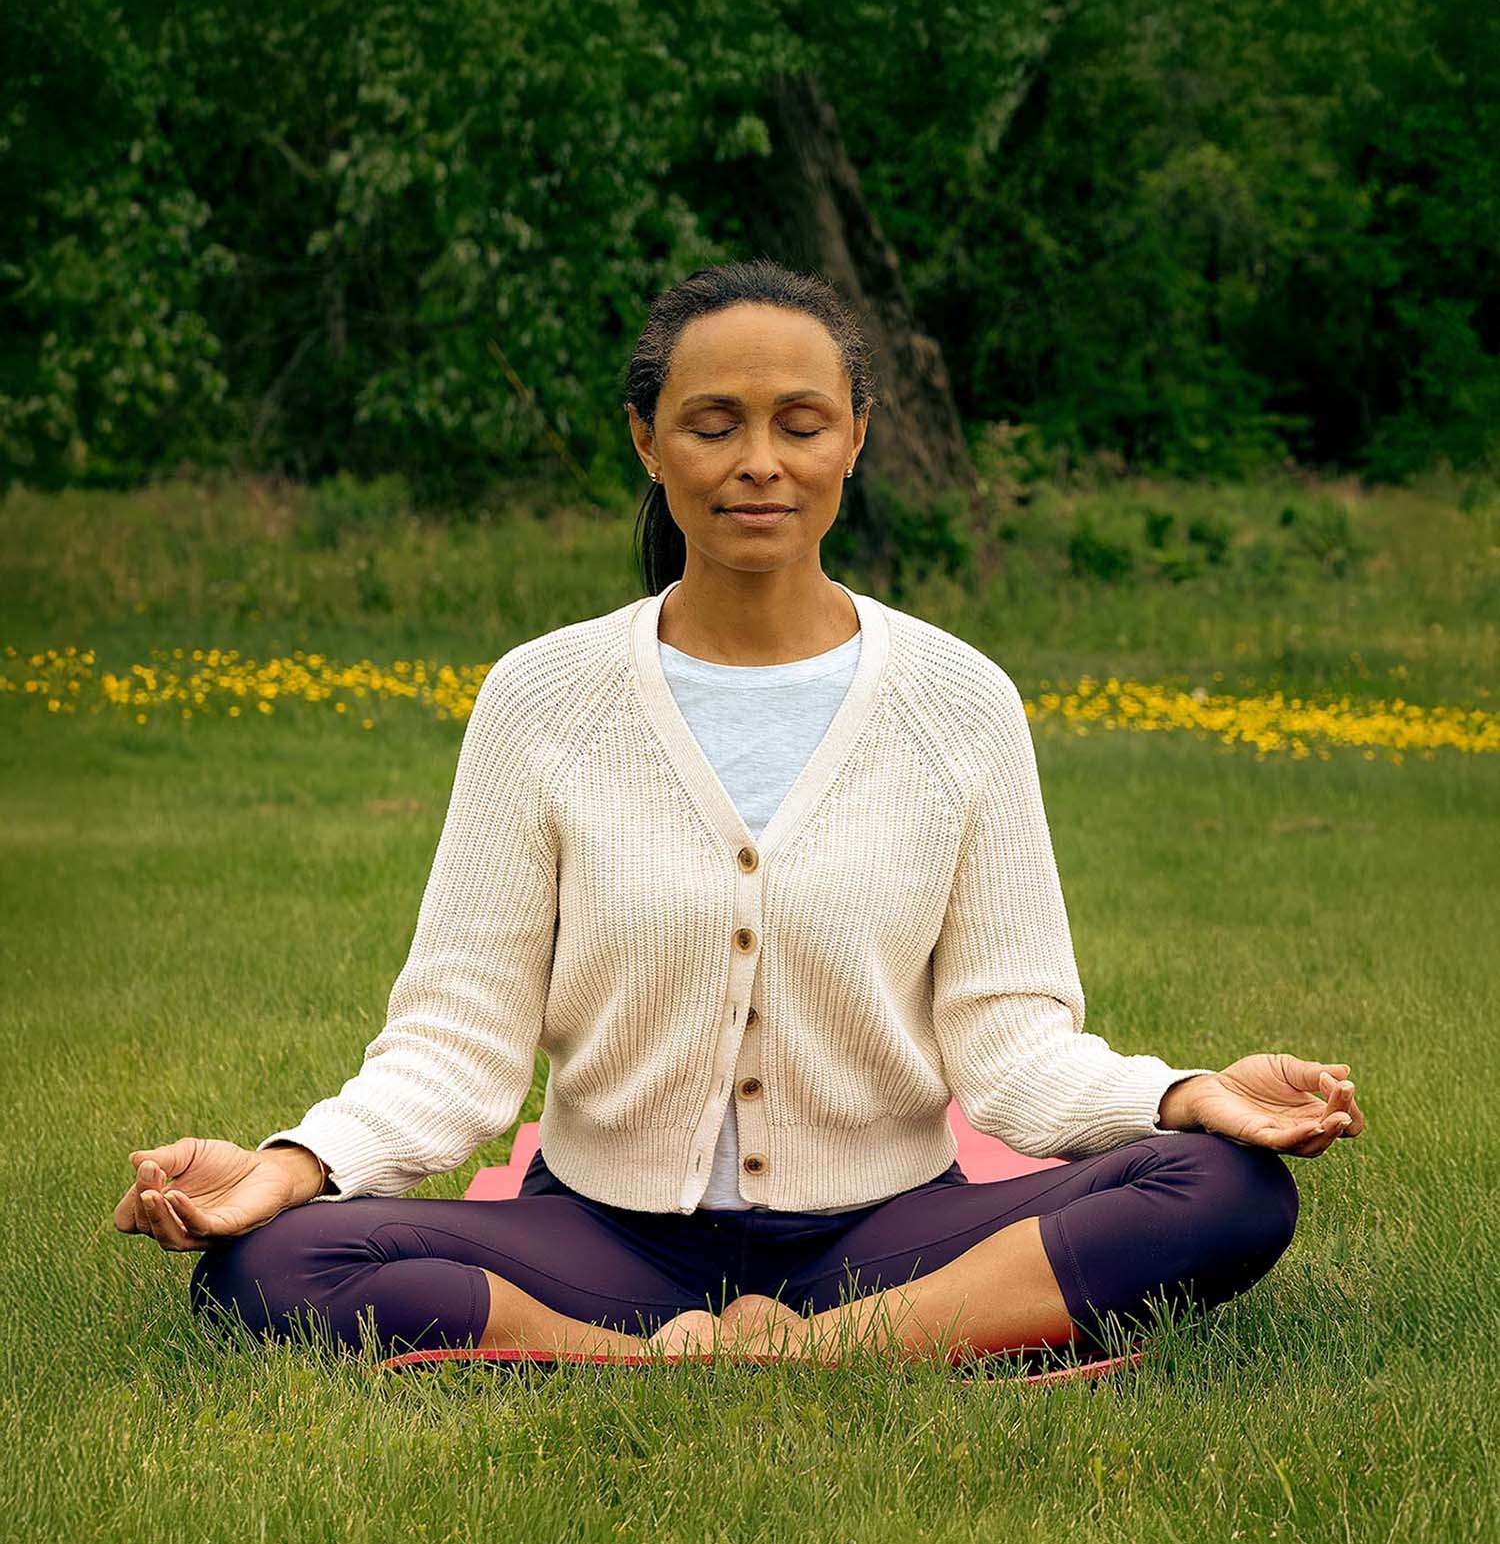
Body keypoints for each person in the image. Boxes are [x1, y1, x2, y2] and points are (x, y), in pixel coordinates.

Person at [115, 259, 1363, 1367]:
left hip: (893, 1230)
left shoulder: (959, 700)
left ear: (855, 440)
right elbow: (457, 1045)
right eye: (713, 425)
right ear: (650, 444)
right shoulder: (541, 698)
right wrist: (288, 1167)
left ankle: (823, 1349)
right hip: (599, 1237)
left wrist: (1187, 1093)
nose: (759, 462)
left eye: (800, 424)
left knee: (1228, 1189)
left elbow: (1013, 1044)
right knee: (263, 1270)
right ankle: (662, 1357)